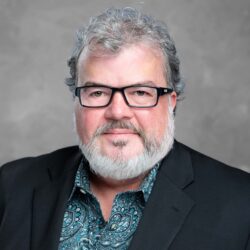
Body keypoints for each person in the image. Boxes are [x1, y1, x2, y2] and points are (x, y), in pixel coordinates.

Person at [0, 7, 250, 250]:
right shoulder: (11, 186)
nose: (118, 112)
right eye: (97, 92)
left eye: (140, 92)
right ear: (76, 102)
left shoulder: (241, 204)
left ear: (171, 102)